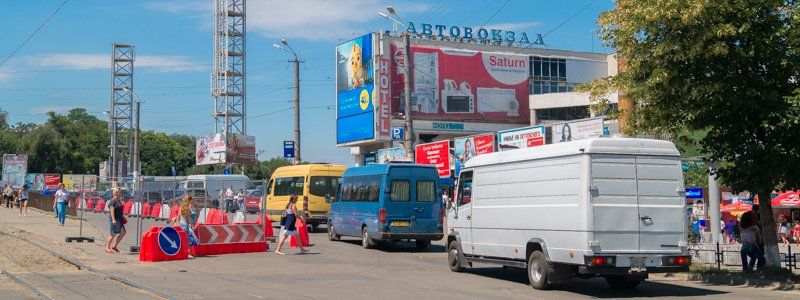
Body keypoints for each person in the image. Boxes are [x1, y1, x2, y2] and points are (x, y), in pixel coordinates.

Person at [105, 188, 126, 254]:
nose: (118, 193)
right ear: (113, 193)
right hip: (114, 220)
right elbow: (112, 212)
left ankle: (115, 246)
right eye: (116, 192)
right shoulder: (113, 201)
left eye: (119, 192)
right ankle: (107, 248)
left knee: (123, 232)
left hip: (119, 219)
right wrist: (113, 220)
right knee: (112, 234)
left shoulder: (118, 200)